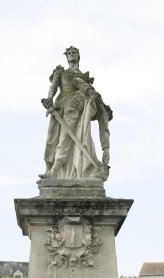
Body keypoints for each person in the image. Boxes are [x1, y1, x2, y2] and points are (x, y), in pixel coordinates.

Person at [41, 46, 112, 180]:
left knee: (67, 137)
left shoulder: (83, 77)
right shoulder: (61, 72)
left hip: (76, 105)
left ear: (78, 56)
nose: (71, 55)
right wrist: (49, 99)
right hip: (61, 105)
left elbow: (92, 96)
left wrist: (106, 148)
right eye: (69, 53)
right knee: (53, 140)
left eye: (74, 53)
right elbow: (53, 87)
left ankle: (55, 171)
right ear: (66, 57)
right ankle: (52, 168)